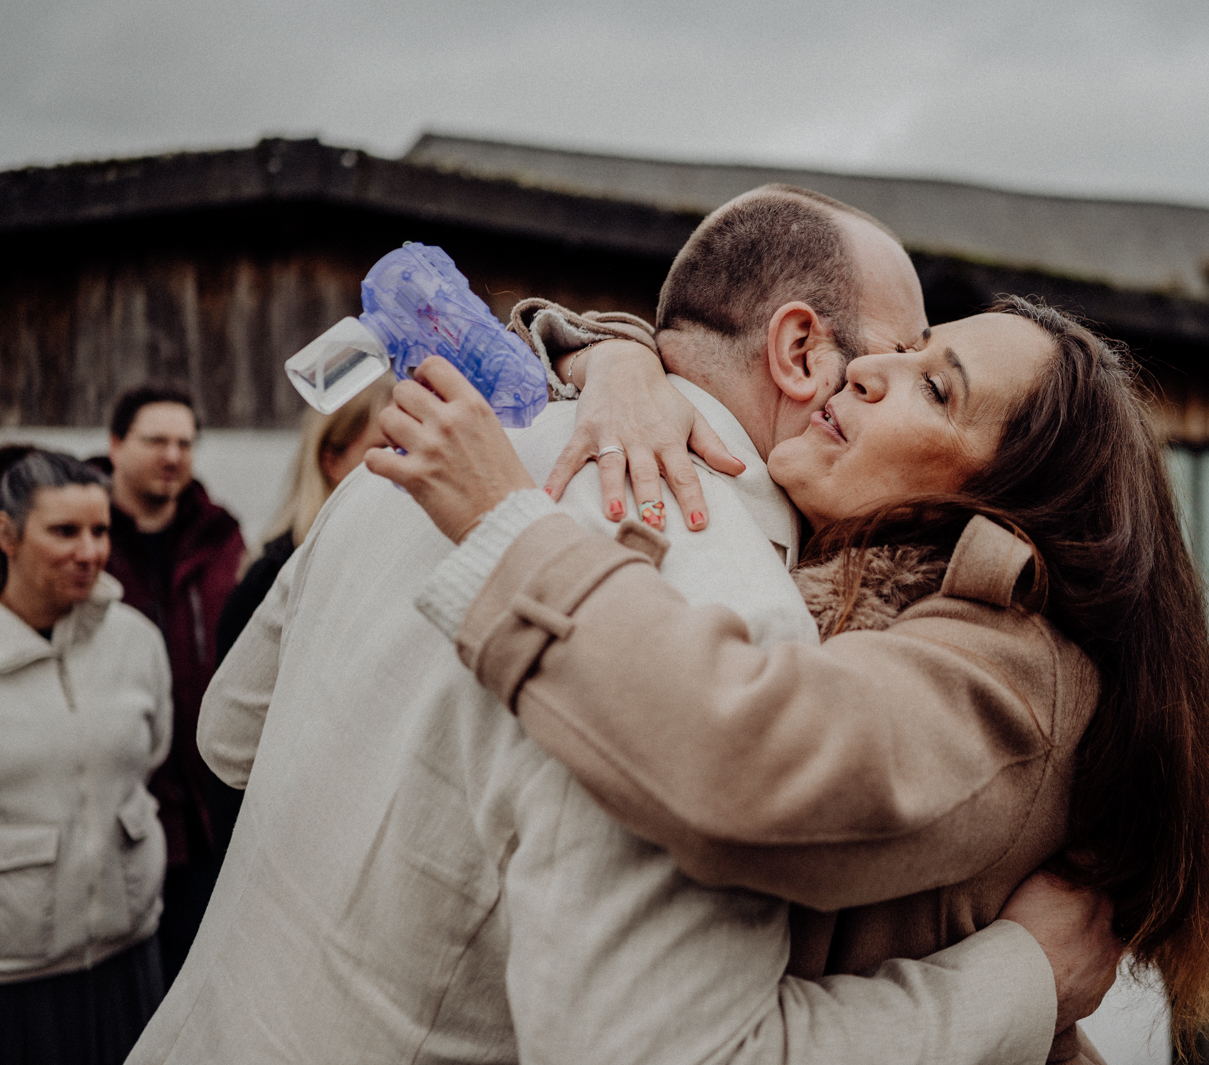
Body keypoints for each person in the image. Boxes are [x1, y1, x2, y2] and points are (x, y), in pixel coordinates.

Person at [130, 186, 1121, 1065]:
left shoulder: (445, 444)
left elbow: (230, 732)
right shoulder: (729, 611)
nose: (882, 381)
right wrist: (1023, 981)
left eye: (927, 378)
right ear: (800, 352)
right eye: (898, 353)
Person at [374, 295, 1209, 1055]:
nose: (870, 368)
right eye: (908, 348)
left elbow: (747, 755)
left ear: (1014, 502)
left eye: (936, 387)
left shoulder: (1019, 666)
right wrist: (617, 357)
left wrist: (507, 532)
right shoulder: (858, 582)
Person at [0, 449, 172, 1064]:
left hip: (129, 956)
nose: (89, 552)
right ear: (7, 535)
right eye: (64, 531)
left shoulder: (135, 641)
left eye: (100, 531)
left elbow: (151, 754)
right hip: (15, 978)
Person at [91, 385, 244, 984]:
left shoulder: (220, 537)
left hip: (205, 807)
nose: (173, 455)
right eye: (156, 440)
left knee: (200, 976)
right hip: (117, 802)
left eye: (185, 442)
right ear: (115, 445)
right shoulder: (84, 537)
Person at [214, 375, 391, 662]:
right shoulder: (273, 582)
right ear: (331, 461)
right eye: (386, 449)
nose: (405, 463)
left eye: (412, 448)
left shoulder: (419, 559)